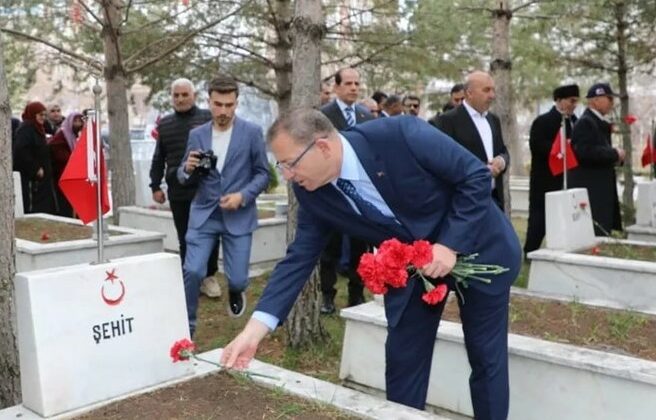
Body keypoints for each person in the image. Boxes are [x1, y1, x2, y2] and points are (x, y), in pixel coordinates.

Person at [221, 109, 521, 418]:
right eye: (280, 166)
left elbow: (474, 176)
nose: (287, 176)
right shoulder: (311, 192)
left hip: (480, 248)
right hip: (410, 271)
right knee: (404, 361)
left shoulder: (401, 135)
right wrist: (254, 331)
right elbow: (299, 257)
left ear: (322, 147)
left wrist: (449, 245)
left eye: (290, 164)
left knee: (486, 357)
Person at [177, 74, 269, 336]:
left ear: (236, 103)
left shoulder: (252, 132)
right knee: (192, 271)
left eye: (229, 105)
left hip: (238, 214)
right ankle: (187, 329)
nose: (223, 111)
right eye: (218, 104)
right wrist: (187, 168)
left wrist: (243, 196)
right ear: (209, 102)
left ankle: (236, 290)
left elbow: (263, 174)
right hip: (204, 214)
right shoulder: (197, 134)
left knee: (238, 278)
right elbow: (183, 176)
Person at [149, 78, 222, 298]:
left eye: (184, 95)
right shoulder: (165, 124)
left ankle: (209, 276)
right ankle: (191, 277)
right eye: (176, 95)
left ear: (194, 96)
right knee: (185, 237)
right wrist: (155, 185)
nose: (180, 99)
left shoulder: (207, 118)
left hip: (205, 190)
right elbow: (159, 157)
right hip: (178, 191)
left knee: (210, 234)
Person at [319, 67, 375, 314]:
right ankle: (327, 297)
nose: (354, 87)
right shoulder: (323, 116)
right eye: (349, 83)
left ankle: (356, 294)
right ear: (337, 87)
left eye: (357, 83)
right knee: (330, 248)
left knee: (358, 247)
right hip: (331, 189)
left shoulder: (366, 116)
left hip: (359, 193)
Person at [434, 71, 509, 210]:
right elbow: (444, 161)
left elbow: (503, 151)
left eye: (493, 90)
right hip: (464, 203)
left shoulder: (493, 120)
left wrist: (501, 161)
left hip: (494, 201)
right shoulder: (447, 121)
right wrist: (481, 170)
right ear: (469, 93)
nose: (492, 95)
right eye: (486, 90)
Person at [524, 84, 579, 255]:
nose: (574, 105)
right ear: (560, 101)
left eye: (576, 101)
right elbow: (537, 145)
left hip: (567, 179)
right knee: (540, 218)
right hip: (545, 179)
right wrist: (561, 148)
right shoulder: (543, 121)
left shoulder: (575, 122)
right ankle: (530, 251)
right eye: (571, 101)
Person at [569, 82, 623, 236]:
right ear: (595, 100)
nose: (612, 103)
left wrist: (617, 156)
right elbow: (585, 152)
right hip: (591, 188)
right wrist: (614, 153)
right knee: (594, 231)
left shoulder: (598, 122)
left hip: (600, 186)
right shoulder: (586, 122)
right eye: (608, 98)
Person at [13, 102, 59, 214]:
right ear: (33, 114)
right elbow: (21, 152)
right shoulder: (26, 130)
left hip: (41, 178)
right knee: (33, 207)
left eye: (44, 115)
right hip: (31, 178)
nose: (43, 118)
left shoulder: (39, 128)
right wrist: (35, 168)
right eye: (40, 115)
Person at [48, 111, 84, 217]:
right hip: (62, 175)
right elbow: (59, 154)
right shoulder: (62, 135)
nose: (77, 124)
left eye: (80, 121)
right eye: (75, 121)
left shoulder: (75, 136)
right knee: (65, 205)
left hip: (74, 176)